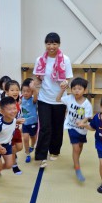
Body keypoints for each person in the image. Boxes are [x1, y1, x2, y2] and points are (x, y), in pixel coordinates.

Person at [33, 32, 73, 168]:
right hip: (44, 99)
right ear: (45, 44)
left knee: (57, 127)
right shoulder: (40, 59)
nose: (51, 46)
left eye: (54, 43)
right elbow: (37, 78)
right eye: (49, 43)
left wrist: (65, 83)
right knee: (45, 127)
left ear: (59, 44)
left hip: (60, 99)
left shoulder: (65, 59)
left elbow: (68, 78)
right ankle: (41, 155)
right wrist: (34, 83)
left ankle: (55, 151)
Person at [56, 77, 93, 182]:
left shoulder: (87, 104)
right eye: (74, 88)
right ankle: (77, 168)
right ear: (71, 89)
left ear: (85, 90)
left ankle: (76, 160)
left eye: (79, 89)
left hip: (82, 128)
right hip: (71, 126)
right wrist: (62, 89)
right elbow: (57, 99)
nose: (77, 91)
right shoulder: (69, 98)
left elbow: (88, 116)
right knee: (76, 148)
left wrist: (83, 122)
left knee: (80, 146)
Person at [4, 80, 25, 174]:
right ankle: (14, 165)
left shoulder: (17, 103)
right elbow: (3, 120)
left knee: (20, 147)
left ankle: (11, 154)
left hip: (16, 130)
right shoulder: (4, 105)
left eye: (17, 89)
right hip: (8, 131)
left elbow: (18, 115)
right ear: (7, 92)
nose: (15, 92)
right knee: (12, 148)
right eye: (12, 90)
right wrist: (15, 121)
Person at [0, 96, 17, 174]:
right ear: (2, 111)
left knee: (9, 165)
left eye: (14, 108)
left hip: (7, 145)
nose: (13, 111)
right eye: (9, 109)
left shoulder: (14, 120)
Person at [20, 78, 38, 163]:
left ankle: (32, 146)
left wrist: (34, 89)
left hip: (33, 123)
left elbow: (36, 94)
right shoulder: (21, 99)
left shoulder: (33, 100)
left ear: (32, 92)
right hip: (25, 123)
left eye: (28, 91)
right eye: (24, 91)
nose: (26, 93)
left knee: (33, 137)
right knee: (25, 137)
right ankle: (27, 153)